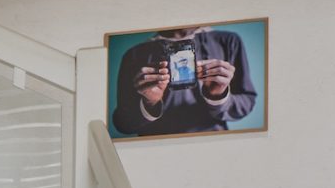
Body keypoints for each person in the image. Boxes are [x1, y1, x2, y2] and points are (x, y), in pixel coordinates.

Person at [111, 25, 259, 137]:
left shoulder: (229, 41)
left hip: (213, 143)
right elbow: (123, 124)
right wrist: (149, 103)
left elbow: (246, 102)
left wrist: (218, 96)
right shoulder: (133, 55)